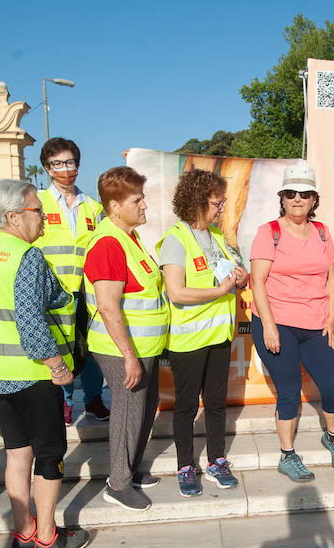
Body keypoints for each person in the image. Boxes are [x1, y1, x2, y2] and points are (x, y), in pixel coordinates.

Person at [0, 179, 92, 548]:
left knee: (17, 454)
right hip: (33, 375)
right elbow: (32, 322)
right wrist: (57, 366)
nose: (44, 218)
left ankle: (24, 532)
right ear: (14, 217)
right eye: (38, 211)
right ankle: (48, 538)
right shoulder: (26, 256)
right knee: (50, 455)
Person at [248, 161, 334, 482]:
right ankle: (287, 455)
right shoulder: (269, 232)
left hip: (315, 324)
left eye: (304, 194)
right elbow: (257, 281)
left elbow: (331, 278)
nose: (297, 199)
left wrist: (331, 317)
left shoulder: (322, 232)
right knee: (290, 391)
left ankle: (332, 438)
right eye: (291, 193)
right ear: (282, 197)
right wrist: (269, 325)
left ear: (313, 199)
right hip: (277, 323)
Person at [158, 169, 247, 497]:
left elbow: (230, 275)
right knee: (185, 407)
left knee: (216, 403)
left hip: (219, 337)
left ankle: (217, 461)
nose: (222, 208)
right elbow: (176, 292)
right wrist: (219, 291)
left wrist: (240, 279)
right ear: (197, 201)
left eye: (223, 202)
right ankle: (185, 466)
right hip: (189, 340)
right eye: (217, 202)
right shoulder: (175, 239)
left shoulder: (218, 237)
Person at [83, 166, 167, 511]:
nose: (144, 205)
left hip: (144, 347)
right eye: (137, 200)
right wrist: (130, 356)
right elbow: (107, 306)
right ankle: (117, 483)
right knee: (128, 412)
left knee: (143, 409)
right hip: (121, 350)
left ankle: (129, 469)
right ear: (115, 206)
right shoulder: (108, 244)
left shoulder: (129, 238)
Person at [38, 137, 110, 424]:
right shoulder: (38, 203)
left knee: (91, 346)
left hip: (88, 289)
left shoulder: (93, 207)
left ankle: (93, 399)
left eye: (69, 162)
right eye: (56, 163)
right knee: (62, 345)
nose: (64, 168)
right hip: (54, 291)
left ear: (78, 165)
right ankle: (65, 400)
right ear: (47, 168)